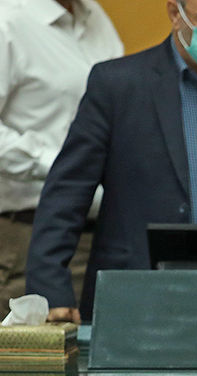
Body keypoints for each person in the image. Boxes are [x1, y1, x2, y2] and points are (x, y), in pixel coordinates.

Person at [23, 0, 197, 323]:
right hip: (142, 305)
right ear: (174, 13)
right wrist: (50, 291)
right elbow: (65, 196)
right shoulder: (117, 85)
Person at [0, 0, 122, 316]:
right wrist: (65, 167)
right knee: (30, 362)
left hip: (103, 235)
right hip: (28, 236)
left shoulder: (94, 16)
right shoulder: (8, 21)